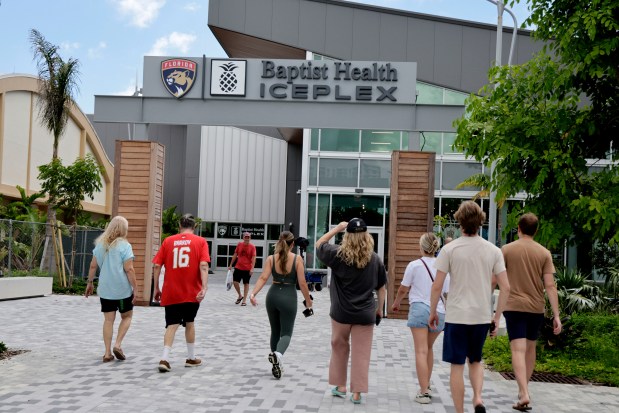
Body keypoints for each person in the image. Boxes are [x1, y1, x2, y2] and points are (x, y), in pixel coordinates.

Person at [429, 201, 510, 413]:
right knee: (475, 360)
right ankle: (478, 398)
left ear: (459, 221)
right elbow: (506, 287)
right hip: (481, 316)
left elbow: (437, 286)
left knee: (456, 366)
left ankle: (459, 411)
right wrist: (496, 316)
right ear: (480, 221)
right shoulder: (493, 251)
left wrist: (432, 312)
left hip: (456, 316)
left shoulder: (449, 249)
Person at [316, 218, 387, 405]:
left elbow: (319, 244)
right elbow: (382, 288)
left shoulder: (338, 255)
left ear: (347, 236)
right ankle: (357, 393)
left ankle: (340, 387)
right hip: (365, 313)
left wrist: (336, 228)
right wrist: (380, 310)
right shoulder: (375, 259)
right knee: (361, 353)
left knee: (339, 348)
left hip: (340, 313)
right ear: (366, 236)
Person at [501, 213, 562, 411]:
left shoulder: (507, 250)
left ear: (518, 228)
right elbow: (550, 286)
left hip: (514, 306)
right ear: (536, 230)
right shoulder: (544, 253)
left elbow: (497, 280)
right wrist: (557, 315)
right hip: (536, 307)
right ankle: (524, 390)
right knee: (530, 348)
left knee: (517, 349)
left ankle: (523, 393)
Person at [391, 232, 450, 404]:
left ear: (421, 247)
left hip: (419, 309)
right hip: (439, 311)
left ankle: (424, 392)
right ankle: (427, 385)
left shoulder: (414, 265)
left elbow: (403, 288)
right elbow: (447, 291)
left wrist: (396, 303)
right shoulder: (443, 267)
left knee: (420, 350)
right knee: (428, 348)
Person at [249, 231, 314, 379]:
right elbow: (302, 283)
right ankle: (278, 355)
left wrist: (253, 294)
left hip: (272, 296)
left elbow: (263, 277)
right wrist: (308, 302)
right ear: (293, 244)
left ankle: (275, 364)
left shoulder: (271, 258)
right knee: (286, 333)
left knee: (275, 331)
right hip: (288, 296)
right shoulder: (297, 259)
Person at [153, 213, 210, 373]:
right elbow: (204, 265)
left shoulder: (168, 241)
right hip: (192, 291)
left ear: (180, 227)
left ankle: (165, 358)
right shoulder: (200, 242)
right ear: (194, 227)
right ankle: (191, 358)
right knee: (190, 322)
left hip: (171, 291)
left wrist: (157, 287)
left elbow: (157, 266)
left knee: (172, 325)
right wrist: (204, 287)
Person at [85, 215, 137, 363]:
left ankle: (107, 353)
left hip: (106, 290)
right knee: (127, 316)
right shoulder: (124, 246)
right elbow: (129, 269)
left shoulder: (100, 245)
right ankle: (118, 344)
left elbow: (93, 266)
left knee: (108, 320)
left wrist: (90, 283)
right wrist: (136, 288)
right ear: (123, 229)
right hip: (122, 291)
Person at [228, 231, 256, 306]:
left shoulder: (252, 247)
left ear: (250, 238)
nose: (247, 239)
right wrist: (230, 264)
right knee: (235, 282)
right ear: (243, 238)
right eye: (245, 237)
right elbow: (235, 255)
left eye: (248, 237)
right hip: (238, 267)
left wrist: (252, 268)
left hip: (247, 268)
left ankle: (244, 300)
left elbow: (253, 258)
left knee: (246, 283)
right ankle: (240, 295)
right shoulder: (239, 245)